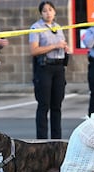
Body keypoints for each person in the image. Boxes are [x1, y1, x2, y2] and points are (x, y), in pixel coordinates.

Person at [29, 1, 69, 139]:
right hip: (44, 67)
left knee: (57, 105)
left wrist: (65, 48)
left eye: (50, 10)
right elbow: (34, 50)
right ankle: (42, 139)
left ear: (55, 12)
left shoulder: (58, 27)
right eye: (45, 11)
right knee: (44, 104)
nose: (48, 13)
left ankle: (56, 139)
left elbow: (61, 44)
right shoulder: (36, 27)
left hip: (58, 67)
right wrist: (54, 46)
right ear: (41, 13)